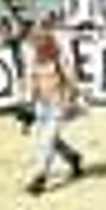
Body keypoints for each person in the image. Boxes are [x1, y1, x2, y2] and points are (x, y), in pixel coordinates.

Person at [25, 34, 86, 194]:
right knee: (51, 140)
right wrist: (30, 105)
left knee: (47, 141)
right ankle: (73, 157)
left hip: (58, 105)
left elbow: (72, 82)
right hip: (42, 106)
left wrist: (70, 100)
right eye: (36, 43)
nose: (37, 46)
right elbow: (33, 84)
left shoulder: (60, 60)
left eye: (40, 43)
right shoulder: (34, 61)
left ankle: (40, 177)